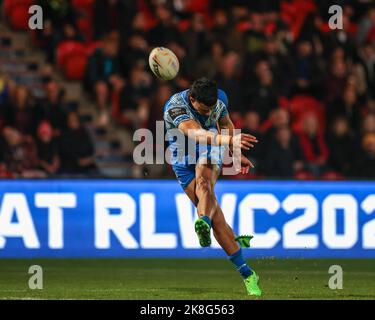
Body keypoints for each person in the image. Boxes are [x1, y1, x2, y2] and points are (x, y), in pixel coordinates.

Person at [163, 78, 261, 296]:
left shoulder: (217, 102)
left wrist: (237, 155)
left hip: (209, 150)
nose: (209, 114)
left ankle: (202, 222)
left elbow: (226, 125)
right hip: (182, 159)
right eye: (204, 110)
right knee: (219, 223)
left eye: (211, 109)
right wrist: (229, 143)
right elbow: (197, 134)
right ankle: (248, 274)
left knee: (204, 182)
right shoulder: (175, 108)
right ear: (192, 99)